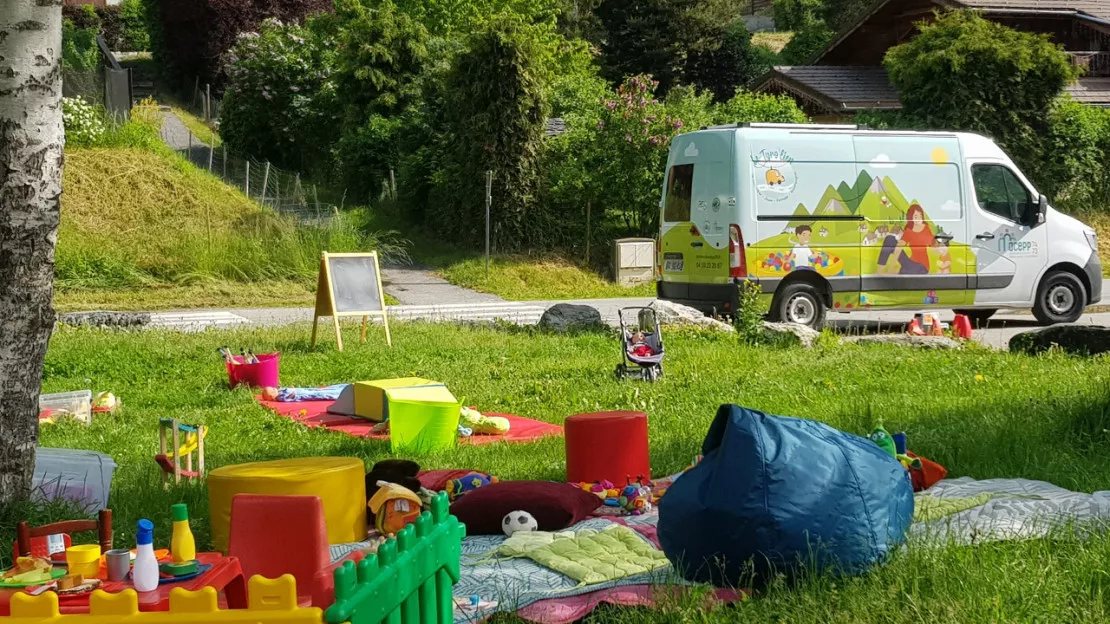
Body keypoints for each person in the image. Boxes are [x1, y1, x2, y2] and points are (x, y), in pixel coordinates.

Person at [895, 204, 934, 275]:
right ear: (911, 217)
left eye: (920, 216)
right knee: (891, 241)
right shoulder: (909, 231)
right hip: (911, 263)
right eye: (916, 216)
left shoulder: (926, 228)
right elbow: (899, 246)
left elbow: (932, 244)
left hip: (922, 265)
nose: (919, 218)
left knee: (904, 274)